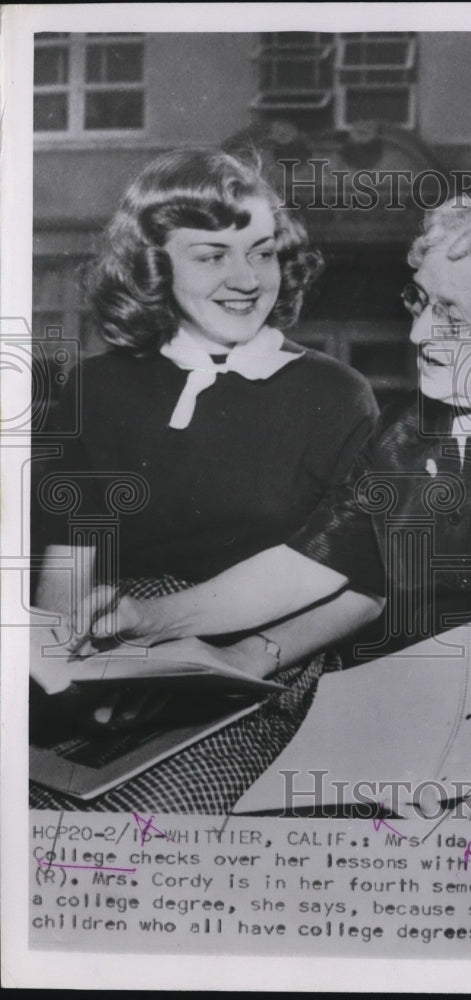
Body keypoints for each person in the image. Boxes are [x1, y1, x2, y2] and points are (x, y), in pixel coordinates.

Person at [80, 193, 471, 821]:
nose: (420, 332)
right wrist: (156, 617)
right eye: (420, 300)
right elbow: (312, 561)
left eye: (452, 315)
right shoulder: (403, 433)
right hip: (431, 756)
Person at [31, 148, 382, 813]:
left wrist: (249, 655)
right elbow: (71, 554)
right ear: (153, 268)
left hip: (258, 675)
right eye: (211, 255)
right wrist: (60, 665)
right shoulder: (98, 387)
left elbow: (365, 590)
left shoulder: (335, 394)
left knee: (145, 828)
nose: (246, 278)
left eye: (262, 251)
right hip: (111, 657)